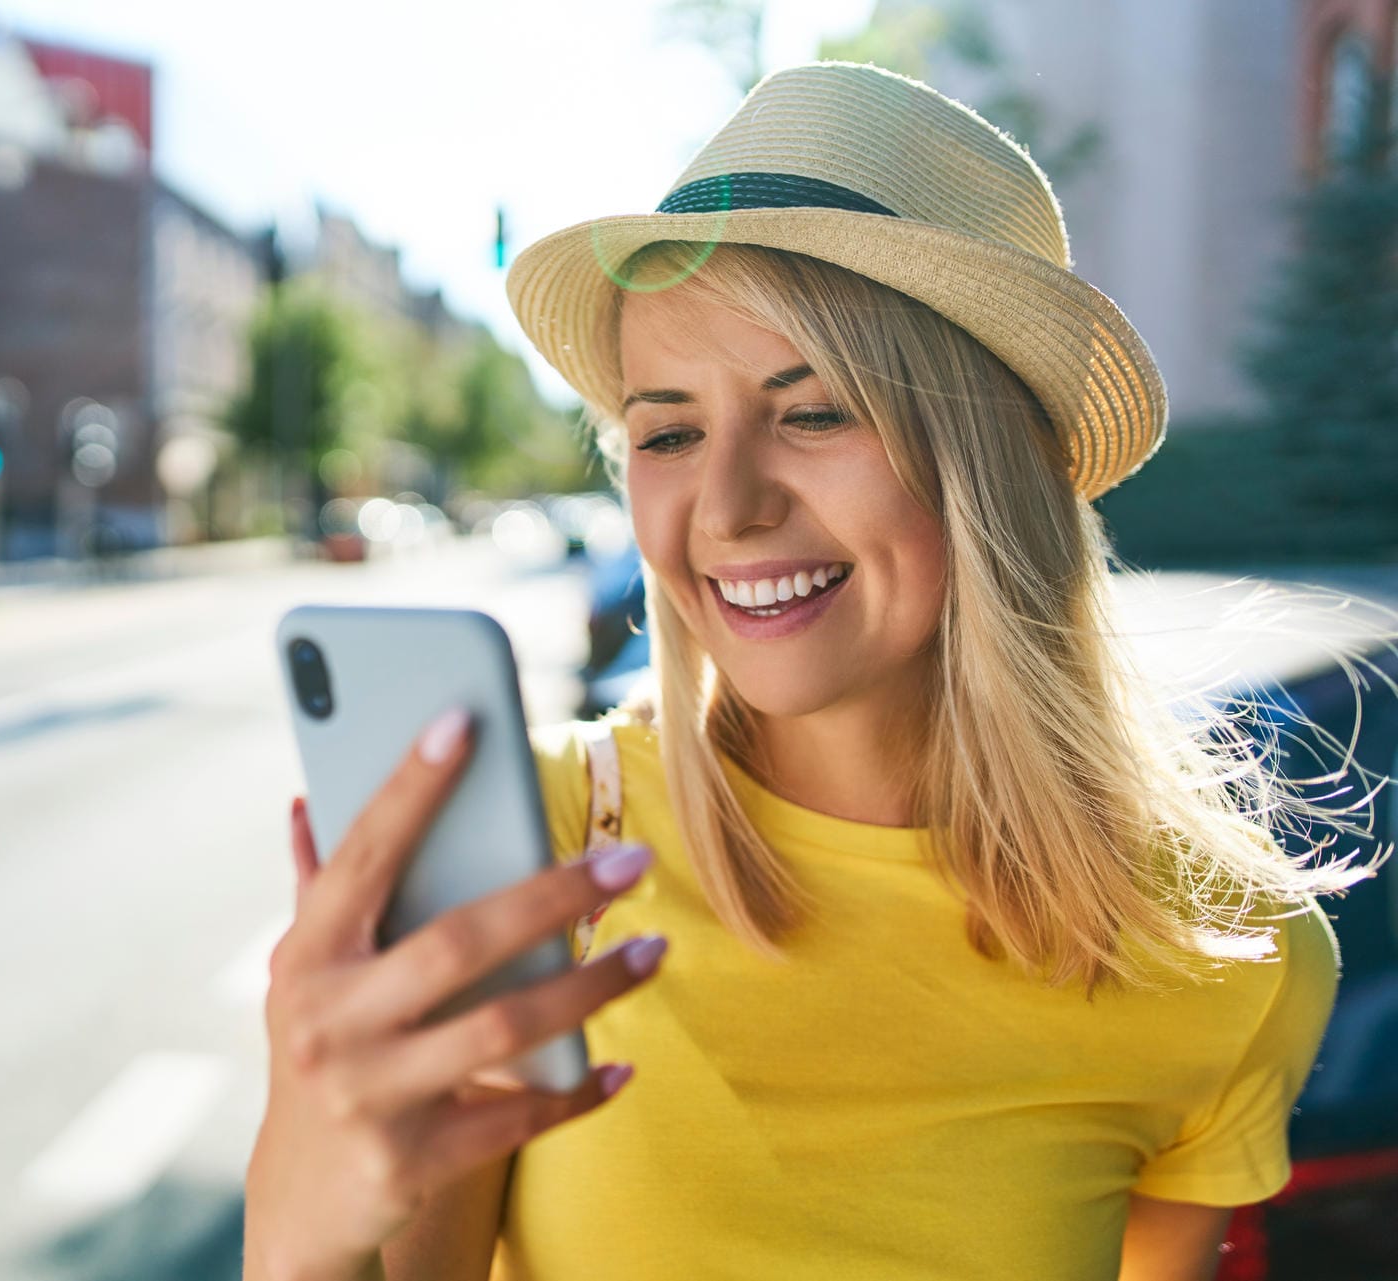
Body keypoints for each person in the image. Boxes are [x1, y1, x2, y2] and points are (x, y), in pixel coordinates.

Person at [242, 61, 1392, 1281]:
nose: (725, 508)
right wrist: (301, 1222)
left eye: (817, 411)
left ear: (991, 464)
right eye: (669, 432)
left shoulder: (1232, 954)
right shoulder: (540, 847)